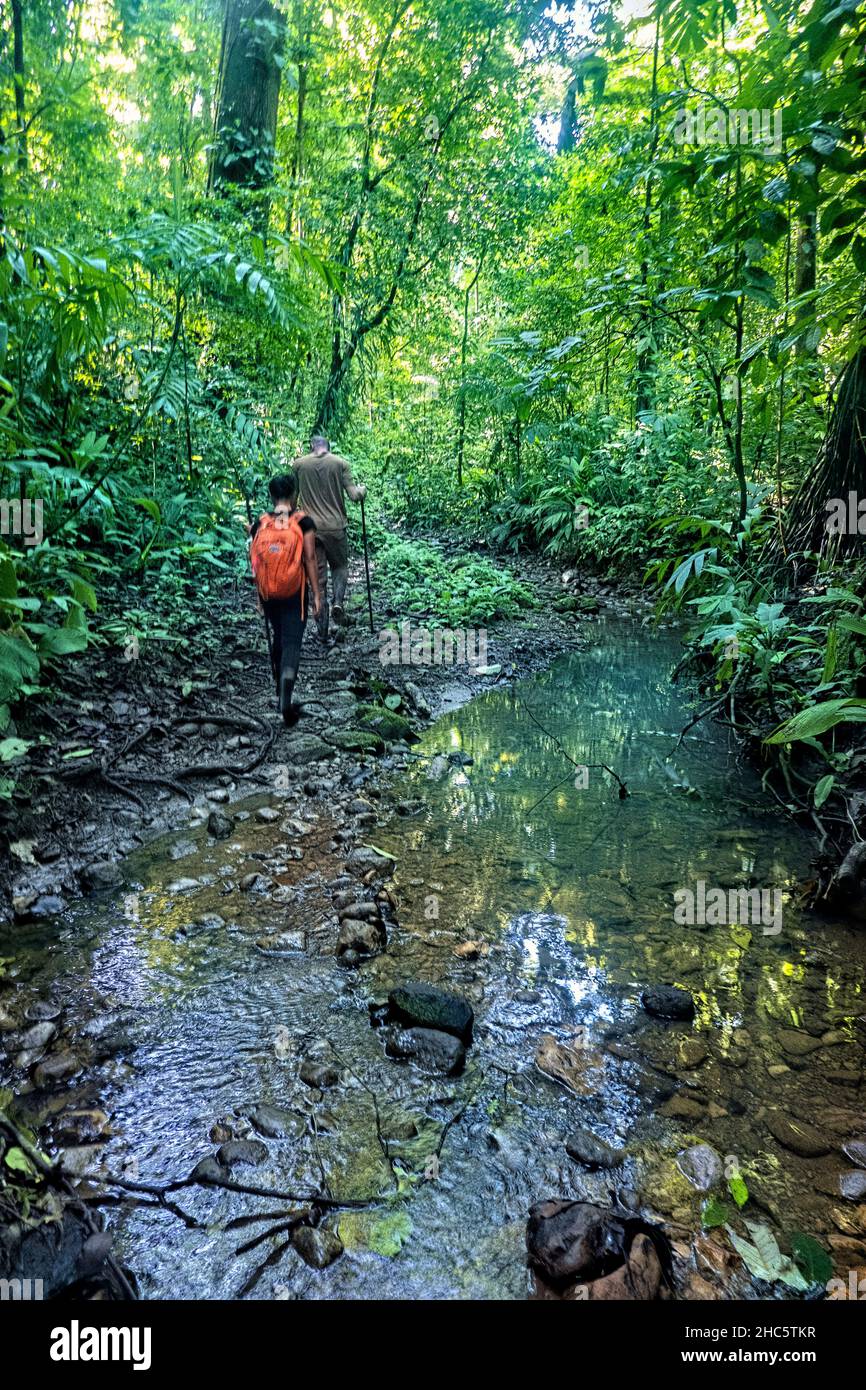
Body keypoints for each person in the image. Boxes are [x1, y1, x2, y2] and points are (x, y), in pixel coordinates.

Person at [249, 473, 321, 725]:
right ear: (294, 495)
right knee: (292, 642)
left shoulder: (261, 523)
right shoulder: (303, 522)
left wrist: (259, 596)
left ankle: (279, 688)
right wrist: (317, 595)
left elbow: (256, 562)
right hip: (293, 593)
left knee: (278, 636)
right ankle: (286, 693)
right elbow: (310, 559)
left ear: (272, 496)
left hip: (268, 593)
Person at [292, 434, 366, 641]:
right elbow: (354, 495)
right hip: (335, 527)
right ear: (328, 447)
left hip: (309, 531)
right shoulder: (340, 463)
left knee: (317, 582)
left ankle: (322, 633)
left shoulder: (299, 465)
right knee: (340, 566)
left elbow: (292, 499)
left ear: (311, 447)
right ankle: (338, 603)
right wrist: (363, 490)